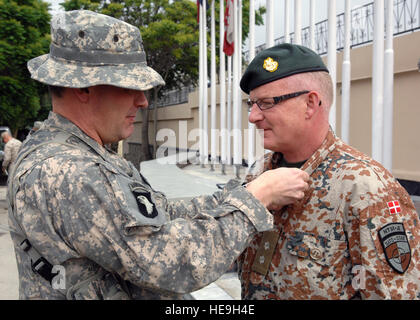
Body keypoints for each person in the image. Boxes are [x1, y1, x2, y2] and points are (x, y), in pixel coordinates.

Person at [7, 10, 309, 300]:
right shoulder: (69, 171)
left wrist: (243, 193)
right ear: (84, 87)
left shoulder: (77, 153)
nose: (142, 101)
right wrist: (255, 201)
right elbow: (173, 264)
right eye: (130, 88)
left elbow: (159, 213)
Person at [237, 43, 420, 300]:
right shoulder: (258, 174)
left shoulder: (365, 186)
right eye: (252, 104)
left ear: (310, 103)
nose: (253, 116)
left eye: (266, 103)